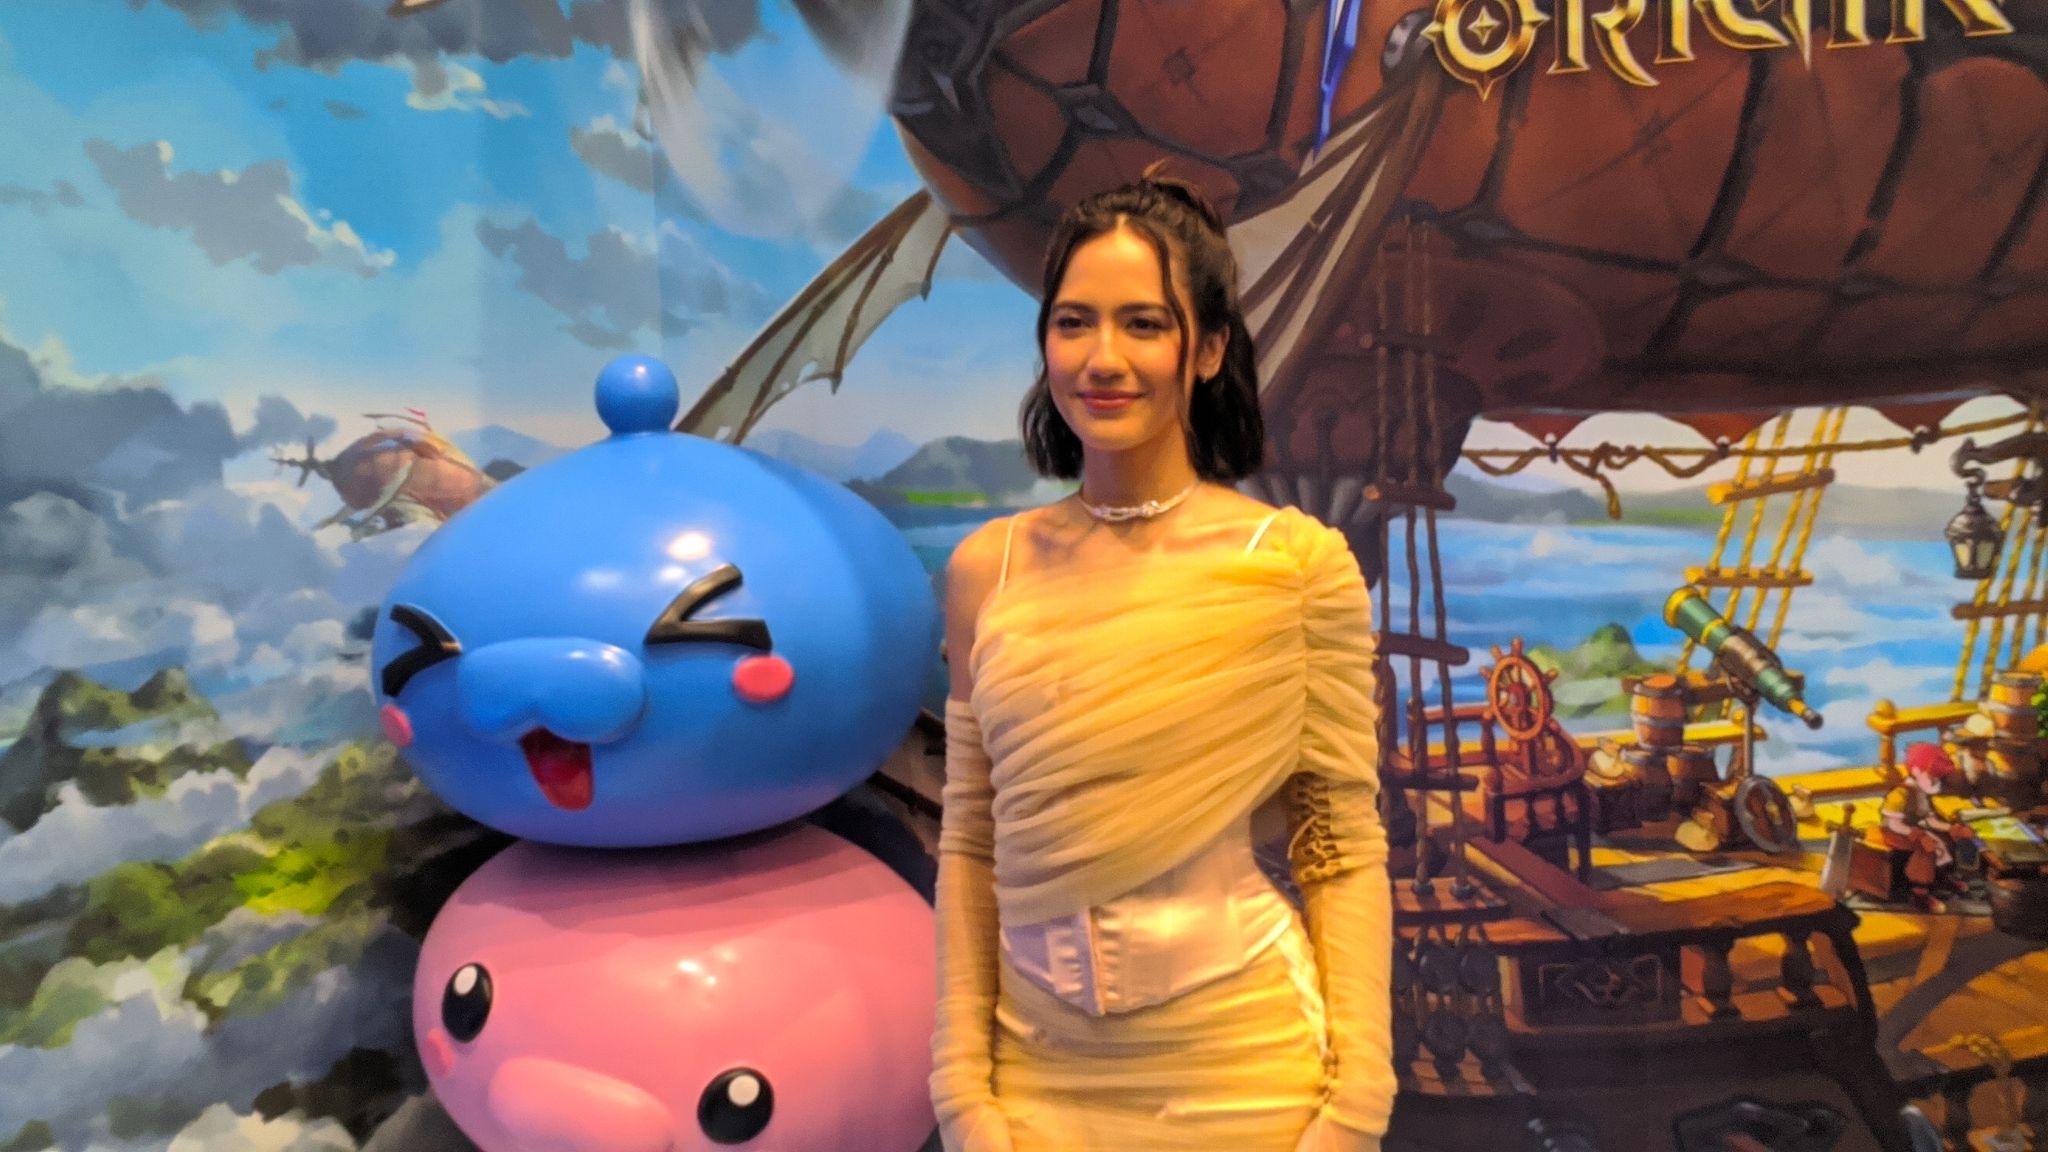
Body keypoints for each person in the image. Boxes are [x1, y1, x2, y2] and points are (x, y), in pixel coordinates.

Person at [930, 169, 1395, 1152]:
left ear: (1208, 347)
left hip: (1246, 1077)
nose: (1102, 359)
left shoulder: (1295, 567)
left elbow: (1336, 846)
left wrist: (1356, 1109)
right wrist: (961, 1093)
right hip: (1036, 1081)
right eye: (1073, 323)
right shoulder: (985, 570)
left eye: (1142, 324)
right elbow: (971, 839)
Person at [1873, 742, 1974, 896]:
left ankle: (1941, 878)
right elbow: (1894, 824)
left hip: (1912, 830)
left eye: (1939, 780)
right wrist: (1919, 835)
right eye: (1933, 780)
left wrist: (1952, 828)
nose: (1937, 785)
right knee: (1926, 847)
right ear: (1916, 771)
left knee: (1945, 838)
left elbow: (1930, 820)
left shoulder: (1923, 794)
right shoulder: (1900, 794)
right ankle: (1919, 890)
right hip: (1894, 832)